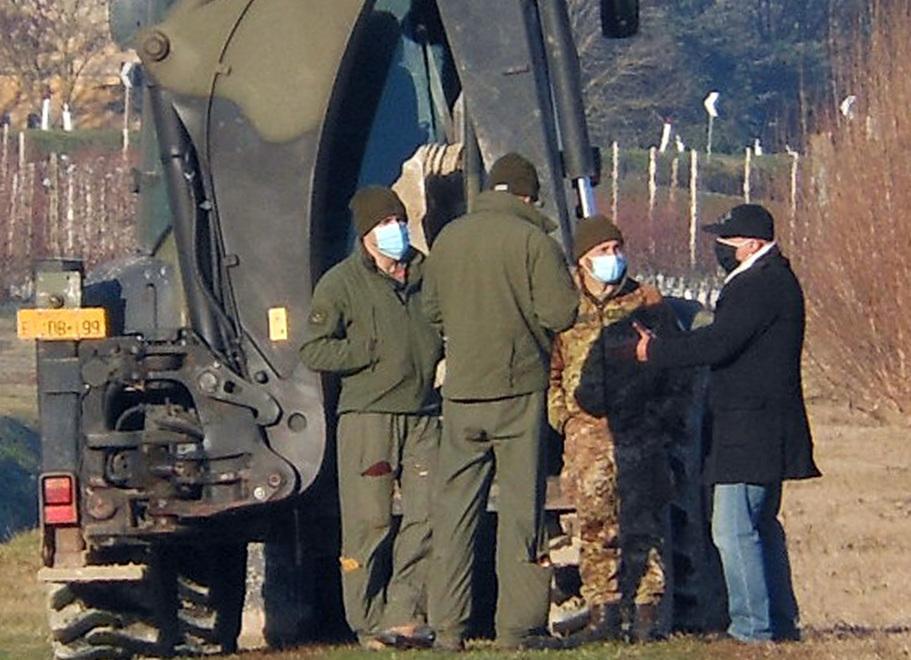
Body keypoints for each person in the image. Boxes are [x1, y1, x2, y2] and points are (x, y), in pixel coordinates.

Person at [633, 203, 821, 643]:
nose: (720, 249)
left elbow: (720, 342)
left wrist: (657, 353)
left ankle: (753, 627)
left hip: (749, 428)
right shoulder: (775, 280)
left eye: (727, 241)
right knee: (760, 526)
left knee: (733, 528)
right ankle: (779, 620)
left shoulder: (757, 286)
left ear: (752, 244)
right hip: (766, 424)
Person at [423, 153, 579, 650]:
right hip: (517, 394)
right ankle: (519, 625)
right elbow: (562, 312)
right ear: (530, 196)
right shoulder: (535, 241)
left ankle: (447, 626)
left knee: (453, 513)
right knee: (520, 512)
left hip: (462, 393)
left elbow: (430, 311)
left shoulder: (448, 238)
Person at [300, 186, 443, 650]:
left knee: (425, 518)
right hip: (368, 418)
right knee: (370, 522)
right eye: (385, 223)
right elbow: (315, 348)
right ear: (366, 233)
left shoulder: (427, 273)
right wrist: (368, 350)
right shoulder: (341, 283)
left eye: (399, 221)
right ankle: (366, 621)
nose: (396, 230)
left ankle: (405, 614)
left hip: (424, 415)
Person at [548, 215, 683, 644]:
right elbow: (551, 371)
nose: (613, 258)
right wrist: (565, 417)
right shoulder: (565, 305)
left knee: (644, 523)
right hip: (588, 437)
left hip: (641, 430)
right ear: (584, 259)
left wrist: (663, 416)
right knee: (595, 526)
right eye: (603, 251)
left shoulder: (646, 301)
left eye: (617, 249)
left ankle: (647, 613)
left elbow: (677, 364)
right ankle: (604, 611)